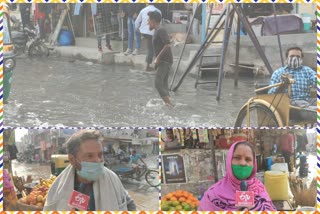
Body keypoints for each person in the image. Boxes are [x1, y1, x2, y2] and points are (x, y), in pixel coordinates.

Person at [43, 130, 136, 211]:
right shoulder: (58, 188)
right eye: (89, 156)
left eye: (100, 154)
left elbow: (129, 204)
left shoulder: (113, 179)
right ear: (72, 159)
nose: (98, 160)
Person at [198, 141, 276, 211]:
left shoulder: (260, 189)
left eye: (248, 159)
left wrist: (254, 209)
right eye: (237, 158)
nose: (242, 163)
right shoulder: (212, 195)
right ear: (229, 160)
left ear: (254, 164)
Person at [148, 11, 173, 107]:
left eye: (148, 20)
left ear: (153, 21)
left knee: (158, 83)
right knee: (164, 84)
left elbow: (168, 45)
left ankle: (170, 106)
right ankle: (169, 105)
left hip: (165, 60)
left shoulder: (160, 30)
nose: (147, 23)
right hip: (163, 60)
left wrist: (158, 58)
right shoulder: (157, 30)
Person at [135, 4, 161, 71]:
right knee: (151, 49)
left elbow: (136, 23)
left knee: (151, 48)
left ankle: (149, 65)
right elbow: (159, 24)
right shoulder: (158, 11)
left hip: (145, 32)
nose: (148, 22)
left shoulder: (143, 10)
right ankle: (148, 66)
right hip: (152, 33)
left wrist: (138, 30)